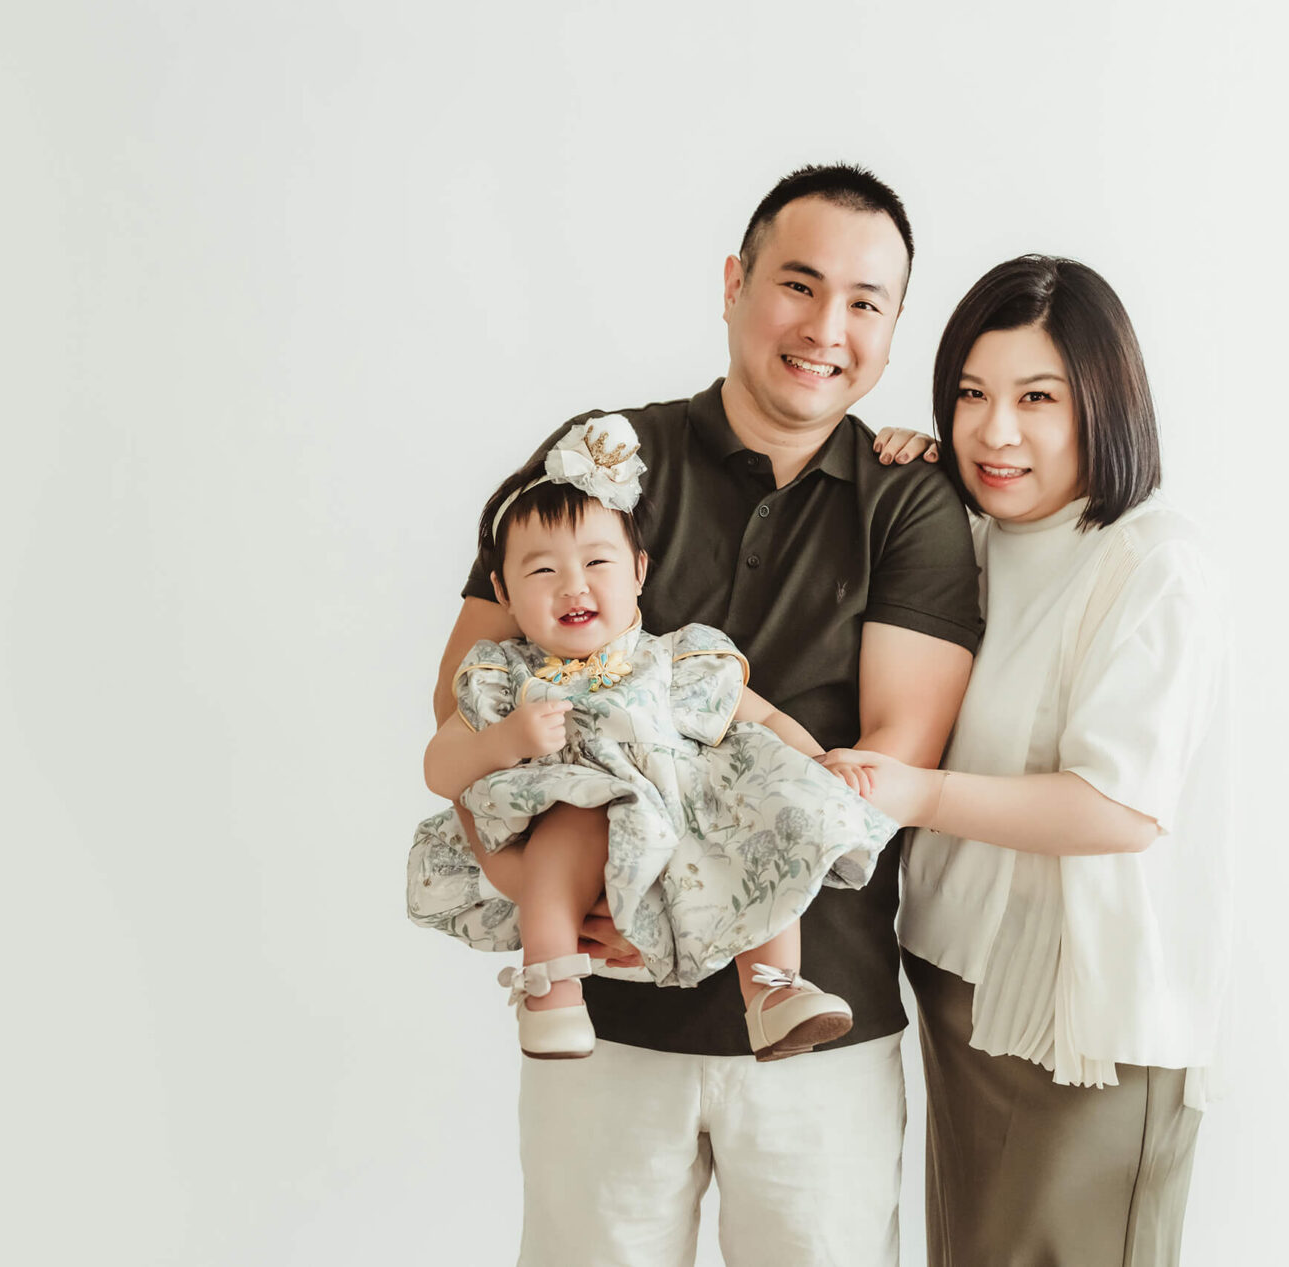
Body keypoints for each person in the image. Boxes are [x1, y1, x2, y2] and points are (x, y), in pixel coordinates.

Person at [427, 164, 980, 1265]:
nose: (827, 327)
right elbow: (468, 697)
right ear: (734, 283)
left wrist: (691, 910)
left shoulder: (908, 500)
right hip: (608, 1023)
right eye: (797, 284)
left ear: (894, 325)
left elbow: (884, 766)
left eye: (865, 303)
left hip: (823, 1024)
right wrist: (528, 881)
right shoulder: (605, 460)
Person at [831, 255, 1233, 1267]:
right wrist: (912, 489)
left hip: (1080, 1027)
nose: (993, 430)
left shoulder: (1151, 561)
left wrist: (911, 791)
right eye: (970, 393)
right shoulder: (971, 534)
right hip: (961, 986)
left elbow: (1117, 806)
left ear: (1104, 402)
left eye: (1035, 399)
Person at [411, 414, 896, 1062]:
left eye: (597, 561)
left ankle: (774, 989)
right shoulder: (506, 681)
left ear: (639, 572)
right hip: (585, 830)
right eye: (543, 570)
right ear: (502, 589)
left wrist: (819, 762)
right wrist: (505, 740)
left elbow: (759, 718)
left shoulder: (671, 661)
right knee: (568, 831)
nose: (573, 584)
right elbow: (441, 766)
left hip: (688, 825)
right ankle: (550, 988)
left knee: (758, 821)